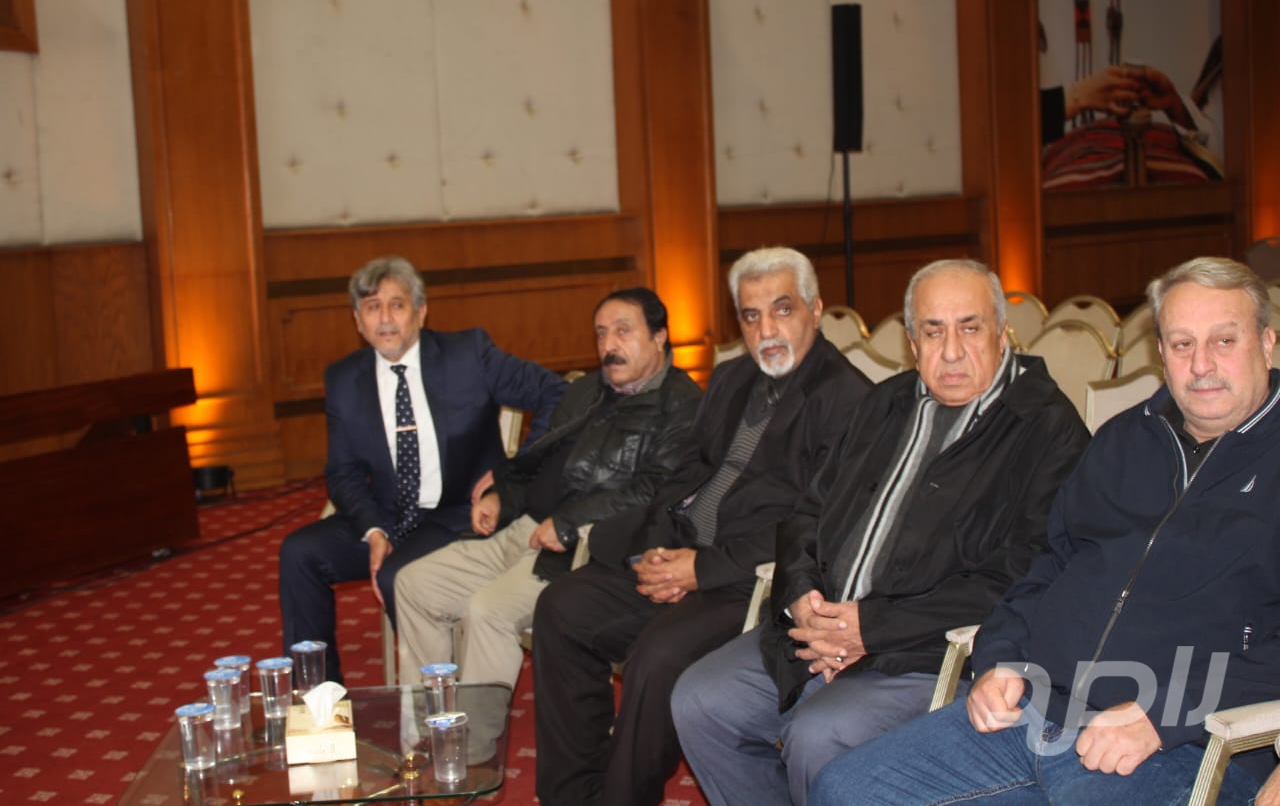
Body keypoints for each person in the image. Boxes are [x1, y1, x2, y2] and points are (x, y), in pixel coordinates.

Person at [810, 256, 1280, 806]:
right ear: (1161, 353)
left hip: (1180, 743)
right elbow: (1048, 566)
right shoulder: (1124, 440)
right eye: (1182, 344)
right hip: (1035, 709)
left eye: (1223, 341)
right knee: (844, 789)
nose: (1201, 365)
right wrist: (1000, 657)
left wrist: (1165, 715)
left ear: (1267, 343)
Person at [671, 258, 1091, 806]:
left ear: (1002, 331)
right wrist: (802, 598)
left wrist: (870, 627)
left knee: (819, 737)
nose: (952, 351)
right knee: (699, 701)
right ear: (911, 343)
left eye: (970, 328)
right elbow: (807, 511)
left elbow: (1023, 575)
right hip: (817, 629)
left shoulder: (1048, 429)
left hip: (927, 651)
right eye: (932, 332)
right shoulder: (884, 403)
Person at [531, 246, 874, 806]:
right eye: (751, 316)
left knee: (658, 658)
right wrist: (660, 549)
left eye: (782, 310)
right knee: (561, 607)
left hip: (751, 581)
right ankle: (570, 795)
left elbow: (816, 526)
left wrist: (701, 569)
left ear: (815, 309)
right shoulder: (733, 376)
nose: (767, 330)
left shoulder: (848, 399)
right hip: (684, 550)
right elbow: (689, 471)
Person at [392, 287, 702, 688]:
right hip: (524, 528)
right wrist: (502, 497)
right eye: (601, 333)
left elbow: (654, 492)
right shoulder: (586, 390)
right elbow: (542, 466)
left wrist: (568, 524)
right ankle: (428, 718)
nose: (609, 345)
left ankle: (476, 731)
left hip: (584, 548)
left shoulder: (683, 406)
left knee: (487, 611)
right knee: (414, 585)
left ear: (659, 336)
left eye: (623, 331)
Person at [277, 256, 565, 683]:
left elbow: (556, 393)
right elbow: (343, 472)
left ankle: (436, 696)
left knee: (398, 576)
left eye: (397, 305)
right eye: (372, 307)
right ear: (357, 321)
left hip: (456, 515)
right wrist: (373, 530)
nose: (385, 319)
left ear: (421, 312)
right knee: (299, 554)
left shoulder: (468, 354)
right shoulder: (344, 379)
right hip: (386, 515)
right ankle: (318, 698)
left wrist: (515, 471)